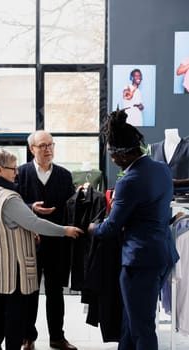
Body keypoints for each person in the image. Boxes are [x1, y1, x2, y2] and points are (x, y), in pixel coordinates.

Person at [88, 108, 179, 350]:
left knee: (142, 328)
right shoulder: (162, 169)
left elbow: (111, 227)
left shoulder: (128, 181)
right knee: (131, 321)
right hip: (162, 254)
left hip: (140, 261)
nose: (111, 159)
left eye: (111, 154)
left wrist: (92, 228)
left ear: (122, 155)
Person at [0, 148, 83, 350]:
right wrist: (65, 230)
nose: (16, 173)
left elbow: (2, 223)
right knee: (15, 314)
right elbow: (36, 223)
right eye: (12, 169)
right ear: (0, 170)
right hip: (14, 266)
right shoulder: (9, 198)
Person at [17, 130, 78, 350]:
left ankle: (57, 337)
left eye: (50, 145)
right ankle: (27, 337)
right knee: (29, 293)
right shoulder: (21, 174)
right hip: (29, 243)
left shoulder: (64, 175)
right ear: (32, 148)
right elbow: (11, 204)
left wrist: (80, 196)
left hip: (57, 243)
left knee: (55, 293)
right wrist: (30, 207)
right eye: (42, 145)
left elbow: (70, 206)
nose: (48, 149)